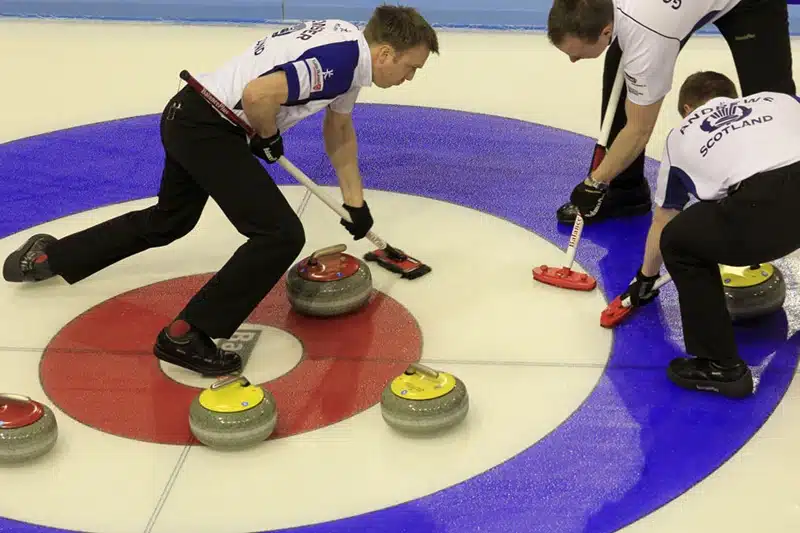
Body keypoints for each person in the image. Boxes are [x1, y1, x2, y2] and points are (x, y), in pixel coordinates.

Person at [2, 6, 439, 377]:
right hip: (209, 126)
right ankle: (190, 333)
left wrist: (355, 204)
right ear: (385, 54)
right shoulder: (340, 63)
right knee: (279, 234)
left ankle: (47, 258)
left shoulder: (347, 49)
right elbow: (258, 94)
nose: (410, 78)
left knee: (170, 220)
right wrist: (266, 134)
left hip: (190, 114)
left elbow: (339, 130)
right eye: (410, 68)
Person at [613, 70, 800, 398]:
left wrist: (646, 277)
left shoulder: (681, 135)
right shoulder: (780, 100)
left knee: (678, 239)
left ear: (687, 109)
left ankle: (721, 366)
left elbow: (664, 217)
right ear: (737, 96)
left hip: (764, 215)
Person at [546, 0, 796, 225]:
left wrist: (594, 183)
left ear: (605, 31)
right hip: (667, 10)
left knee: (773, 99)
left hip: (749, 5)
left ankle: (786, 187)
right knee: (621, 72)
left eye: (575, 54)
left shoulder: (650, 32)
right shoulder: (632, 24)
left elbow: (639, 129)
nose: (573, 61)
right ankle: (625, 191)